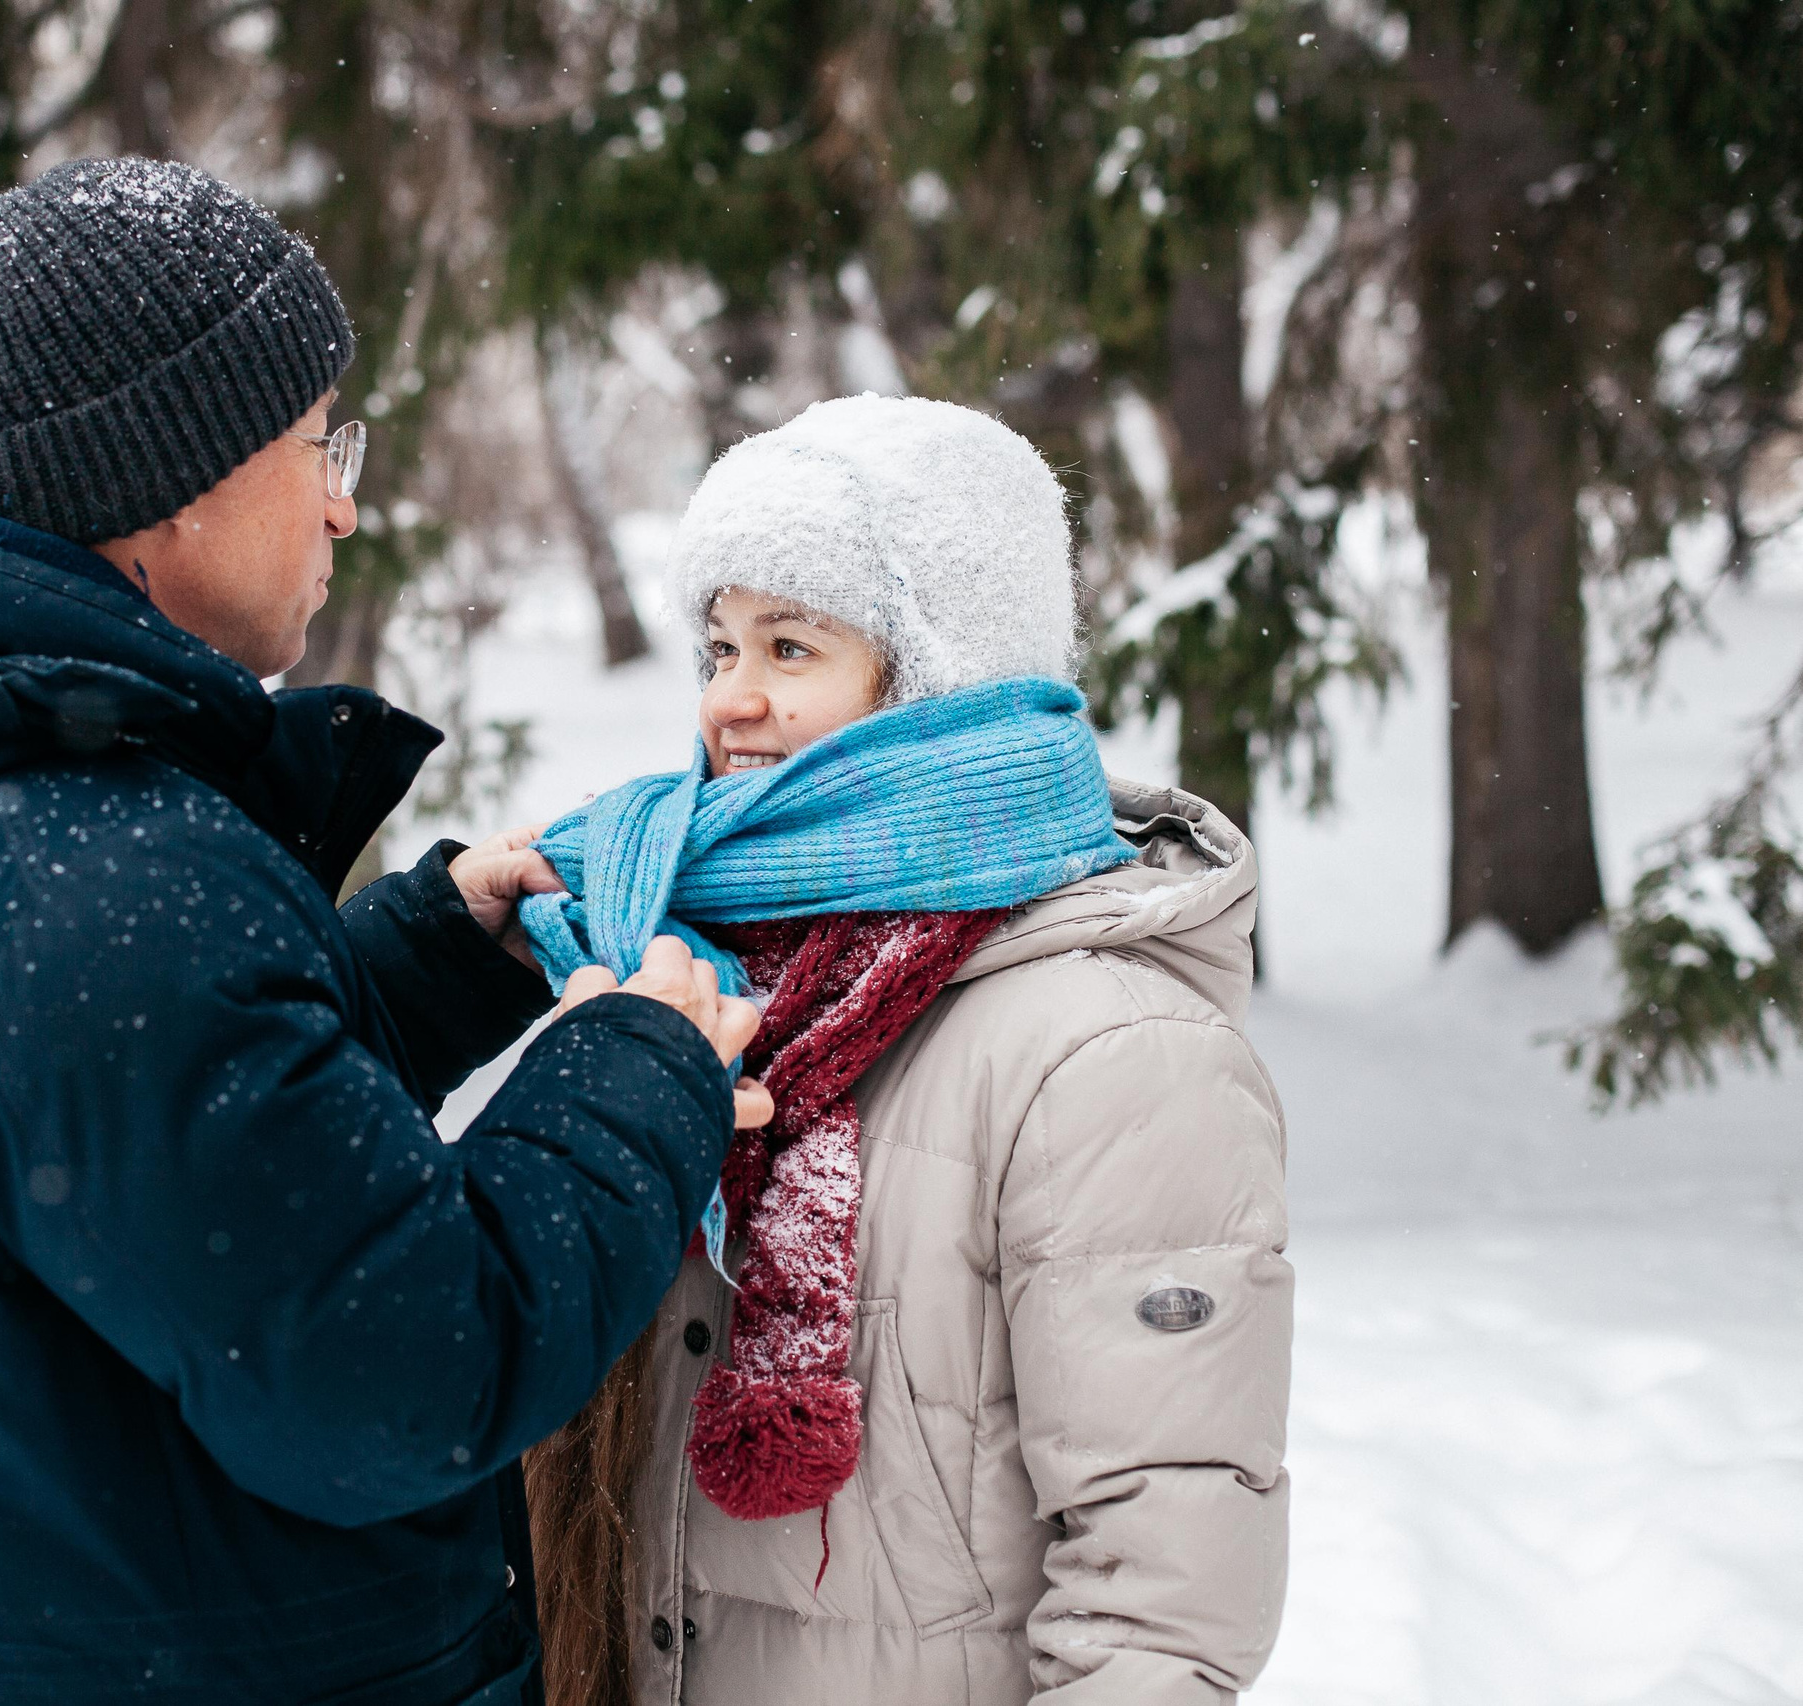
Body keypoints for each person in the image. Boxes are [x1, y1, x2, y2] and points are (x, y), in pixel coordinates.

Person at [0, 157, 770, 1706]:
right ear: (172, 478)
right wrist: (636, 1073)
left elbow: (141, 1167)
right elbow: (411, 1372)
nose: (343, 501)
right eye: (316, 444)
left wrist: (424, 958)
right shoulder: (95, 887)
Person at [516, 395, 1293, 1706]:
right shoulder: (686, 979)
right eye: (718, 645)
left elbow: (1164, 1603)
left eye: (792, 644)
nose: (732, 699)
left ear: (939, 681)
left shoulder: (1110, 1055)